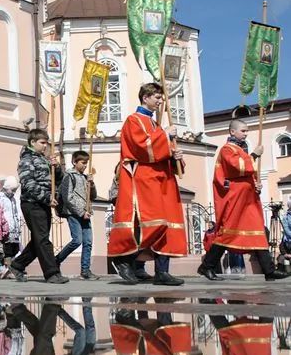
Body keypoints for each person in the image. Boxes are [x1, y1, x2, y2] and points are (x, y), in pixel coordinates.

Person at [108, 83, 187, 286]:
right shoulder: (133, 120)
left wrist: (174, 155)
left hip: (162, 180)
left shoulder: (155, 124)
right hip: (144, 178)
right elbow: (143, 147)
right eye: (157, 97)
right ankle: (124, 259)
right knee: (152, 223)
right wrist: (165, 135)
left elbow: (161, 150)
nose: (160, 101)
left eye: (161, 97)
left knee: (167, 224)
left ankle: (162, 271)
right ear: (145, 97)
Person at [199, 119, 288, 281]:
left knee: (258, 232)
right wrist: (254, 155)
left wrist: (255, 185)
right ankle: (207, 266)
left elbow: (247, 174)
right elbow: (238, 167)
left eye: (247, 131)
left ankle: (269, 271)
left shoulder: (239, 149)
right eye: (243, 131)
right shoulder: (227, 149)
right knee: (228, 233)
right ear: (232, 131)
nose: (246, 133)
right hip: (236, 199)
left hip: (247, 199)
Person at [5, 130, 68, 284]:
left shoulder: (44, 159)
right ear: (32, 142)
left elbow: (58, 179)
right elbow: (29, 183)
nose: (45, 146)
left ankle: (17, 265)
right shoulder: (26, 160)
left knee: (39, 239)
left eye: (46, 143)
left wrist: (56, 167)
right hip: (32, 203)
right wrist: (47, 198)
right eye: (42, 143)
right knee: (43, 240)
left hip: (44, 203)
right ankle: (52, 273)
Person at [55, 151, 99, 280]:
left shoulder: (85, 177)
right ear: (75, 162)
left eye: (86, 163)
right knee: (77, 240)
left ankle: (85, 270)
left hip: (86, 212)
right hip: (73, 213)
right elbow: (68, 197)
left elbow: (93, 196)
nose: (85, 165)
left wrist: (92, 183)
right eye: (83, 163)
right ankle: (56, 260)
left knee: (88, 242)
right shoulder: (69, 176)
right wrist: (80, 211)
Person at [0, 176, 22, 265]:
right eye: (12, 190)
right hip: (6, 227)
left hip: (14, 227)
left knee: (15, 248)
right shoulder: (0, 198)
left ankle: (12, 264)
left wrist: (17, 225)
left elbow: (15, 213)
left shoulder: (13, 199)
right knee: (7, 249)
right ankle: (7, 266)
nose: (13, 192)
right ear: (7, 188)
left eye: (15, 190)